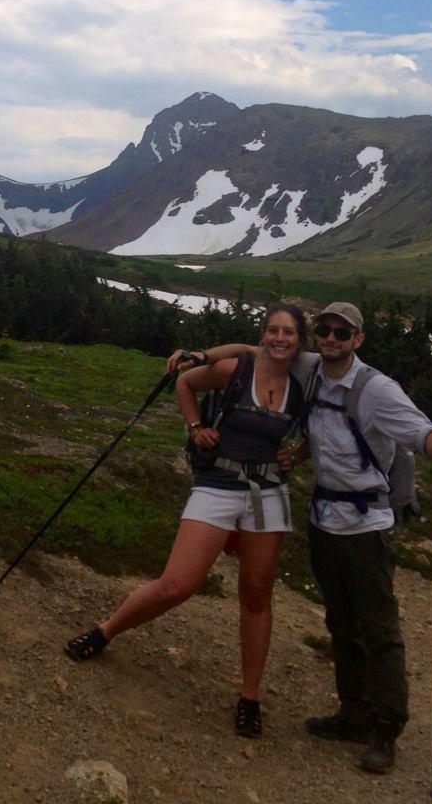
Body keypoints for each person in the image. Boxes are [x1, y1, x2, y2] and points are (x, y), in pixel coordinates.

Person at [176, 301, 432, 775]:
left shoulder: (376, 389)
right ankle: (353, 714)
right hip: (324, 518)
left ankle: (385, 729)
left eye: (342, 332)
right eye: (326, 331)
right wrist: (199, 355)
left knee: (379, 629)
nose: (332, 339)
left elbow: (418, 430)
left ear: (358, 339)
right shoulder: (311, 365)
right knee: (341, 623)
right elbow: (254, 348)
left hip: (366, 524)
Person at [64, 302, 309, 739]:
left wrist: (298, 454)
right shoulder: (238, 367)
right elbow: (185, 383)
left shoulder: (303, 382)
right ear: (262, 334)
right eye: (272, 329)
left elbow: (319, 428)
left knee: (256, 594)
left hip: (269, 492)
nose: (279, 338)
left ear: (300, 340)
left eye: (288, 332)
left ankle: (250, 697)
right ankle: (105, 631)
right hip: (217, 483)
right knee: (177, 584)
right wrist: (196, 428)